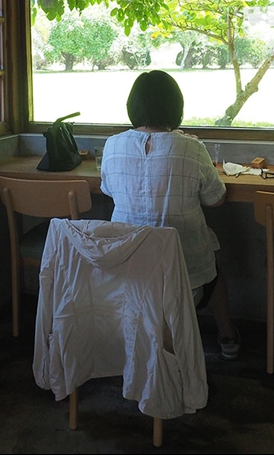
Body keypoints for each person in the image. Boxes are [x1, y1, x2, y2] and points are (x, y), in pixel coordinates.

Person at [99, 69, 240, 360]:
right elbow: (216, 199)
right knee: (212, 267)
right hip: (183, 275)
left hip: (128, 268)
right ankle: (227, 336)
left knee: (202, 253)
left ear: (133, 107)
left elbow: (109, 190)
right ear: (176, 108)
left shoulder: (112, 145)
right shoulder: (191, 146)